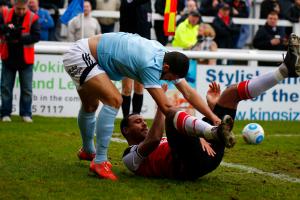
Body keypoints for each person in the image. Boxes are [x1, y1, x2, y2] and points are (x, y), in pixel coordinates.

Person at [121, 33, 300, 180]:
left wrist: (212, 109)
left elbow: (177, 136)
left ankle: (285, 70)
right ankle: (211, 131)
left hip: (209, 152)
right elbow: (153, 139)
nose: (143, 123)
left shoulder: (158, 141)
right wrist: (161, 107)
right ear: (126, 131)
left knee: (229, 94)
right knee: (172, 113)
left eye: (142, 120)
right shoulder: (130, 156)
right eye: (137, 122)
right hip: (187, 166)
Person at [63, 32, 222, 181]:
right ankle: (99, 161)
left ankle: (88, 151)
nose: (167, 81)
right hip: (81, 55)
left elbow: (188, 92)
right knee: (114, 100)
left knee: (90, 106)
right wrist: (206, 131)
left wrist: (214, 118)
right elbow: (167, 108)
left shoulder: (165, 55)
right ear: (166, 68)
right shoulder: (150, 65)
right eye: (169, 78)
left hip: (88, 53)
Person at [0, 0, 40, 122]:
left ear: (27, 6)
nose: (21, 11)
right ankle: (5, 113)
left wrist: (20, 37)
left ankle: (26, 114)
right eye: (18, 9)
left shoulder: (33, 17)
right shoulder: (4, 13)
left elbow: (37, 36)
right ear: (14, 6)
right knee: (6, 87)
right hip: (8, 57)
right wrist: (6, 30)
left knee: (27, 89)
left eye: (23, 9)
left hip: (25, 59)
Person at [119, 0, 152, 117]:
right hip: (127, 48)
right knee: (127, 88)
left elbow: (148, 26)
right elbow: (130, 6)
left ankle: (136, 118)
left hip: (143, 49)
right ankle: (126, 120)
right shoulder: (126, 2)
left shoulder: (148, 4)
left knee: (139, 87)